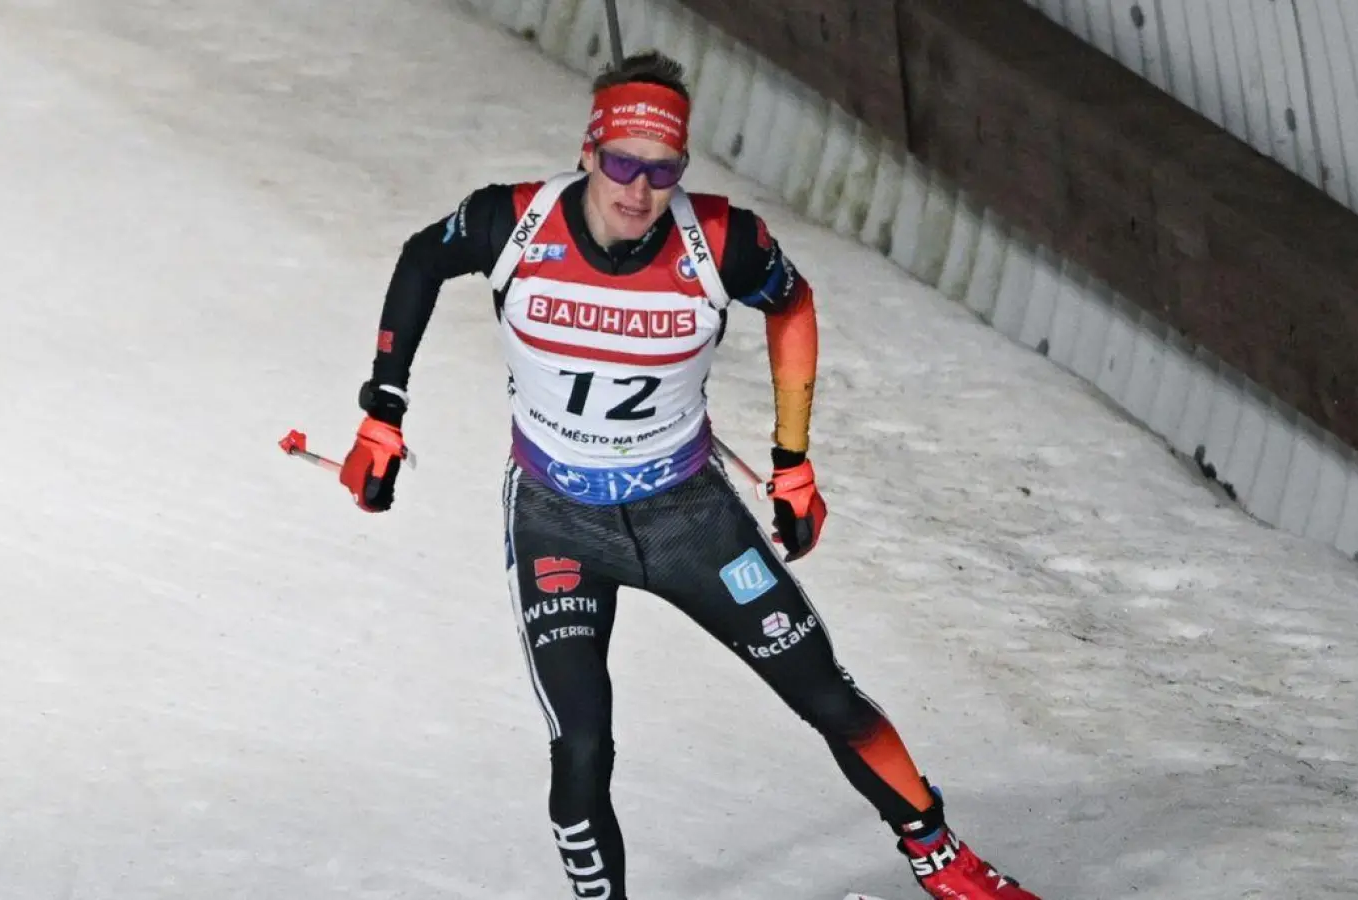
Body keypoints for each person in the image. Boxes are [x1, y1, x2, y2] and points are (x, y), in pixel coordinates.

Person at [337, 48, 1044, 900]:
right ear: (588, 153)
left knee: (826, 694)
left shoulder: (722, 241)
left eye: (662, 171)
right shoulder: (512, 223)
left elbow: (793, 302)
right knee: (583, 746)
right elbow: (421, 259)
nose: (638, 191)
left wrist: (793, 461)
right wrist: (383, 410)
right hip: (560, 519)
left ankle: (941, 858)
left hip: (689, 517)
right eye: (623, 164)